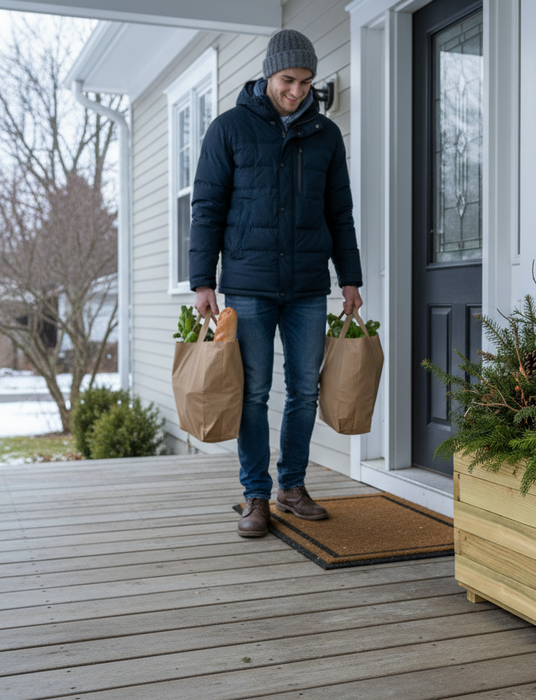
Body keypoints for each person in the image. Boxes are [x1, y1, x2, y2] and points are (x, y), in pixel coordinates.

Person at [189, 29, 364, 538]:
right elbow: (207, 208)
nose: (298, 91)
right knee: (253, 392)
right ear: (269, 73)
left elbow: (340, 213)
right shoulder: (229, 129)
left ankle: (292, 486)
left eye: (307, 82)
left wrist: (349, 277)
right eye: (289, 80)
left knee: (304, 392)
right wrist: (203, 280)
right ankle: (256, 496)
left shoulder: (326, 135)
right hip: (248, 285)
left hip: (308, 285)